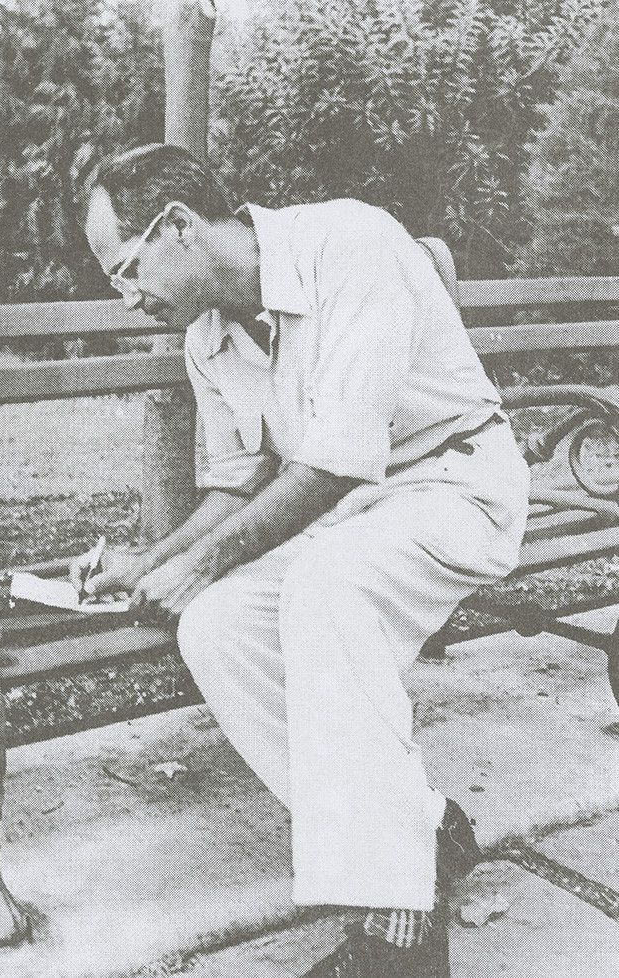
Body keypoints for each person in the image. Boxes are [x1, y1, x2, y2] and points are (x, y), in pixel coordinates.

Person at [72, 142, 531, 977]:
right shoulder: (206, 340)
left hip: (455, 483)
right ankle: (422, 831)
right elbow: (236, 487)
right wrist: (153, 561)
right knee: (214, 627)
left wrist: (204, 562)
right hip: (350, 519)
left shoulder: (349, 244)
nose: (127, 296)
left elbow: (336, 460)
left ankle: (399, 939)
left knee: (324, 588)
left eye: (126, 269)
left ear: (176, 227)